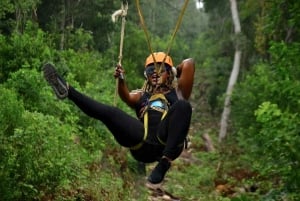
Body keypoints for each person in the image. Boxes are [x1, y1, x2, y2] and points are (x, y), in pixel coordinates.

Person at [43, 52, 195, 186]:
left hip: (167, 143)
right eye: (151, 70)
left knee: (183, 106)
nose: (155, 73)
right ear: (146, 75)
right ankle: (68, 91)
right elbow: (127, 96)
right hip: (142, 144)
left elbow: (189, 63)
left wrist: (174, 70)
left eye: (161, 69)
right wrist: (121, 80)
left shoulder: (178, 92)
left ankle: (164, 162)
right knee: (111, 112)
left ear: (169, 73)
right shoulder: (141, 95)